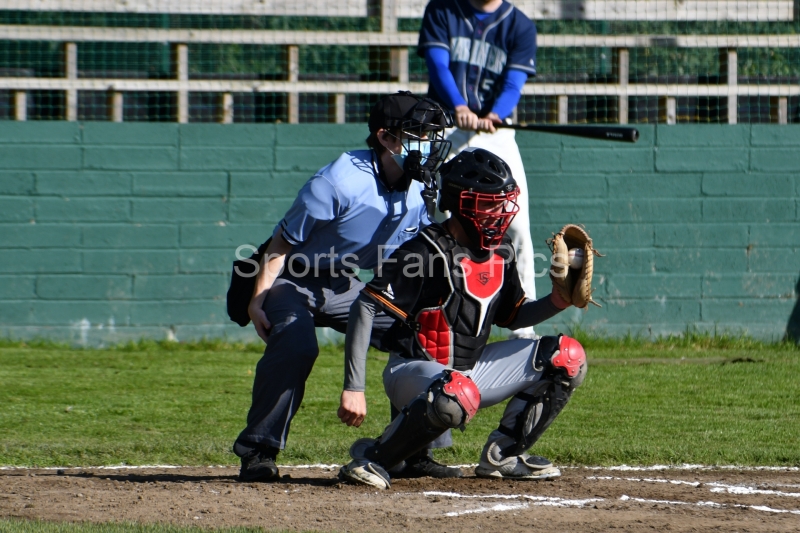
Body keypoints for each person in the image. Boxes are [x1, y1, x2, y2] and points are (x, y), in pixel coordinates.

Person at [233, 92, 454, 482]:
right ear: (386, 138)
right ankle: (258, 450)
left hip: (343, 281)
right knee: (297, 344)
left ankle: (413, 449)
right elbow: (280, 246)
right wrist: (257, 299)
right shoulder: (337, 181)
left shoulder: (420, 189)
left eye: (432, 133)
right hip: (292, 278)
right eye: (419, 133)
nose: (429, 143)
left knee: (416, 333)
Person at [336, 148, 587, 489]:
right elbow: (365, 305)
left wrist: (557, 301)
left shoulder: (502, 253)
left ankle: (503, 455)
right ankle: (374, 459)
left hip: (467, 375)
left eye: (502, 203)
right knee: (456, 390)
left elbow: (513, 317)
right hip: (411, 371)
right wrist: (354, 386)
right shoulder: (425, 250)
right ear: (461, 203)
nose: (499, 213)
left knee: (567, 358)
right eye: (489, 203)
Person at [418, 0, 539, 338]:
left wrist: (496, 114)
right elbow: (438, 65)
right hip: (445, 125)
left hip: (495, 130)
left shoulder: (520, 25)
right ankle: (434, 316)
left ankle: (523, 328)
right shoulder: (443, 9)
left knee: (515, 223)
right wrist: (458, 105)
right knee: (436, 221)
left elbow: (513, 83)